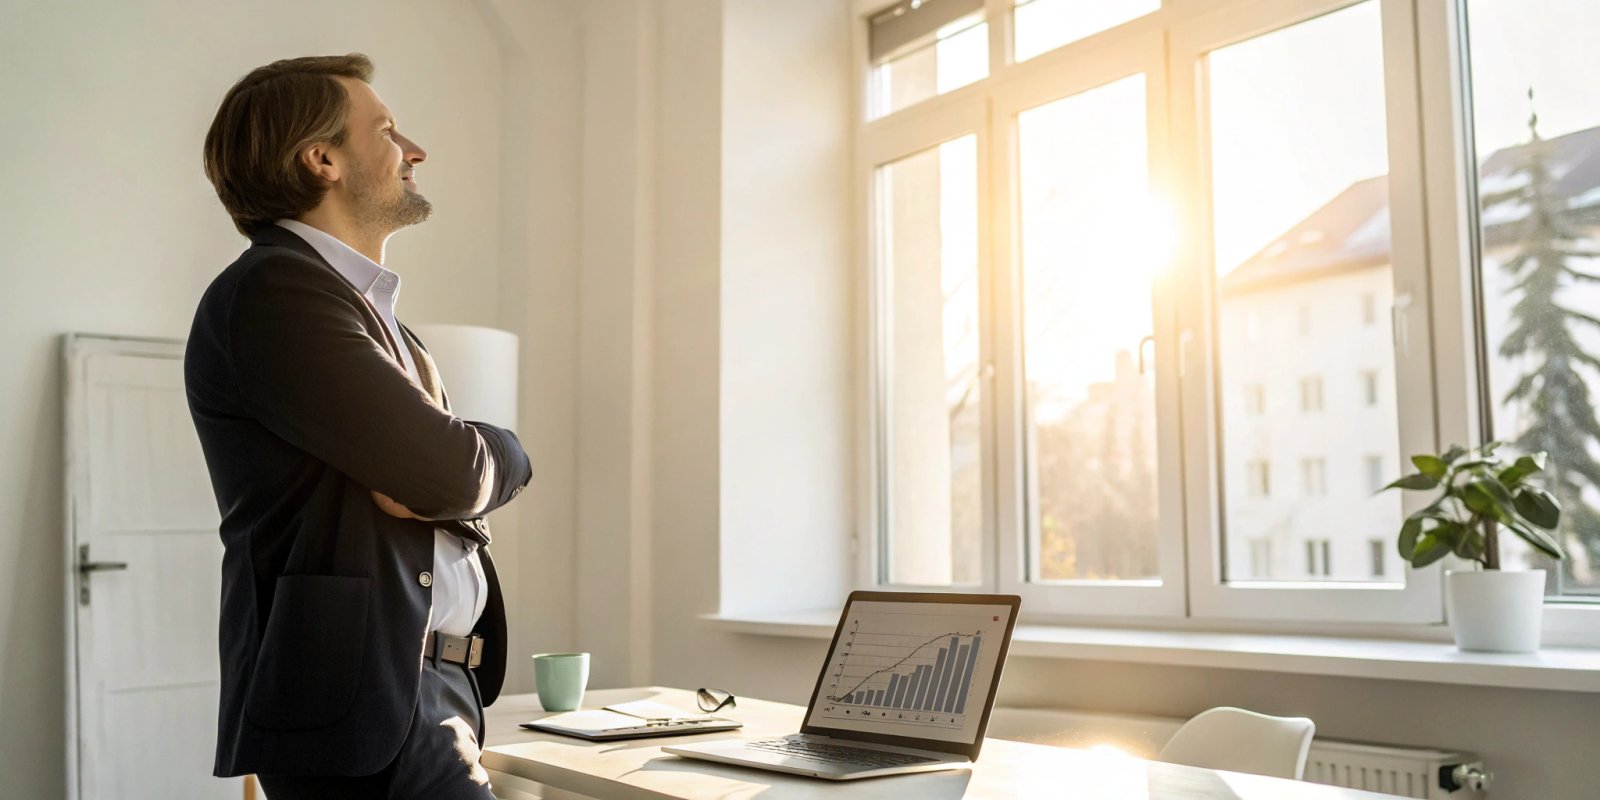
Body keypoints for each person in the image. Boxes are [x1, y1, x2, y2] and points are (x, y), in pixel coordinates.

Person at [185, 53, 530, 799]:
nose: (413, 150)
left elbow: (438, 481)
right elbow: (449, 475)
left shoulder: (371, 318)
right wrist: (510, 450)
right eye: (387, 129)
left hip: (420, 693)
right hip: (367, 709)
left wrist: (454, 469)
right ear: (322, 159)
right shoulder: (276, 291)